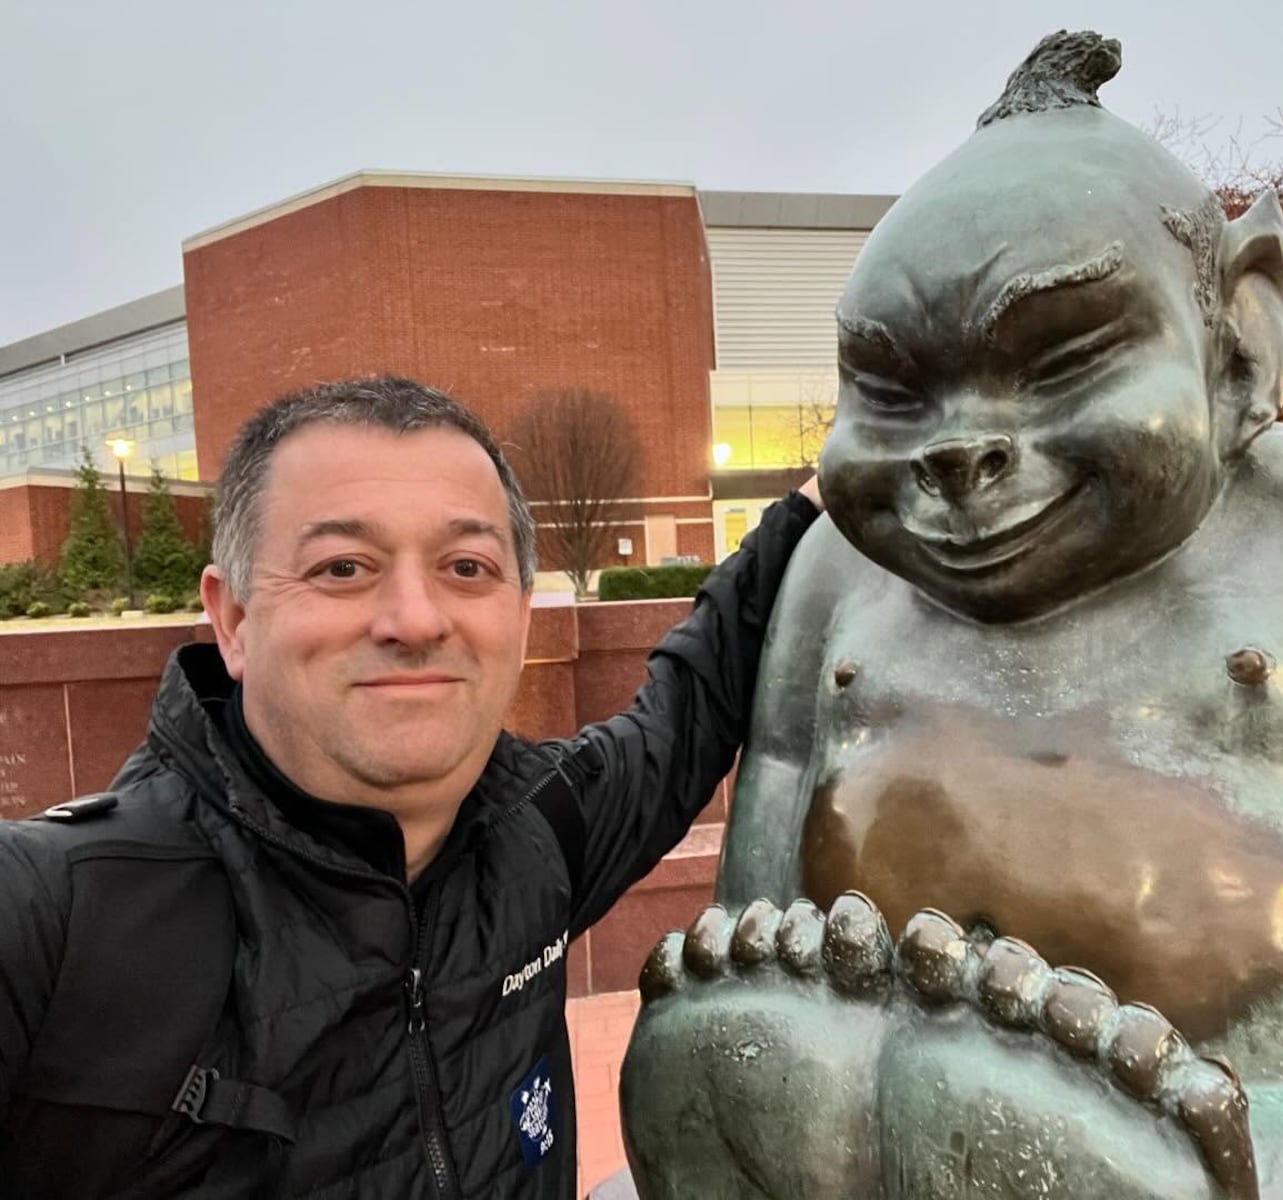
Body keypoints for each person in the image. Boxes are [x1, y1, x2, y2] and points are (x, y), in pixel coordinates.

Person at [0, 375, 822, 1199]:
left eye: (466, 566)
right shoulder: (57, 919)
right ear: (234, 620)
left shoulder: (538, 833)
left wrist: (829, 492)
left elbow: (688, 709)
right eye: (343, 567)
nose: (416, 618)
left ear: (520, 613)